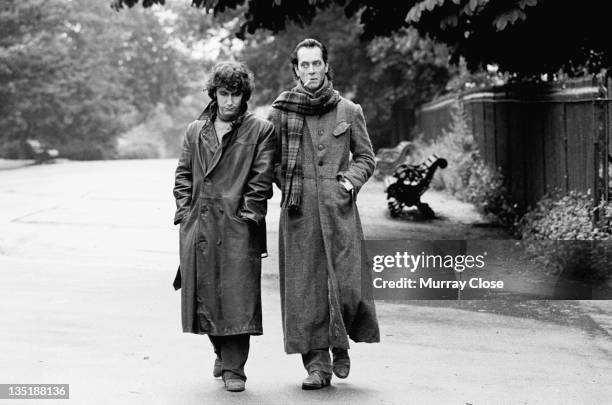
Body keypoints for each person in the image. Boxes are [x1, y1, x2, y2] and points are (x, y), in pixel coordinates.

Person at [268, 38, 380, 390]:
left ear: (327, 66)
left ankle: (340, 342)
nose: (312, 70)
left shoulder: (349, 110)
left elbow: (366, 158)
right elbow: (269, 162)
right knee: (306, 290)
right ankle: (317, 366)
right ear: (295, 70)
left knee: (347, 285)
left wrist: (347, 184)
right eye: (305, 65)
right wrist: (289, 184)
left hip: (339, 211)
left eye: (317, 64)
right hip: (299, 214)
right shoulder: (281, 113)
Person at [172, 61, 275, 393]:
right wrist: (185, 213)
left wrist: (247, 217)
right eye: (223, 93)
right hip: (199, 225)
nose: (229, 101)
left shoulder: (260, 130)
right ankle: (220, 350)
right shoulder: (194, 131)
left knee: (237, 298)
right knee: (205, 294)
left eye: (236, 94)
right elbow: (183, 176)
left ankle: (235, 368)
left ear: (244, 95)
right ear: (214, 93)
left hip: (237, 227)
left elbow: (261, 182)